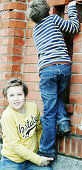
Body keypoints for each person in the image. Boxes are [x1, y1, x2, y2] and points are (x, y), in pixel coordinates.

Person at [27, 0, 79, 159]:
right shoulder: (54, 19)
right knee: (56, 96)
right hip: (64, 66)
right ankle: (63, 121)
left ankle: (46, 151)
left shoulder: (35, 31)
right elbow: (74, 28)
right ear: (47, 10)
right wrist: (72, 8)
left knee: (48, 112)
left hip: (47, 69)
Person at [0, 78, 53, 170]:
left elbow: (39, 130)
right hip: (12, 161)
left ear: (25, 95)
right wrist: (39, 160)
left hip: (31, 159)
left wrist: (44, 151)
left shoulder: (33, 107)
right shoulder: (7, 117)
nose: (16, 99)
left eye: (19, 94)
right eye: (11, 95)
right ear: (6, 98)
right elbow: (15, 145)